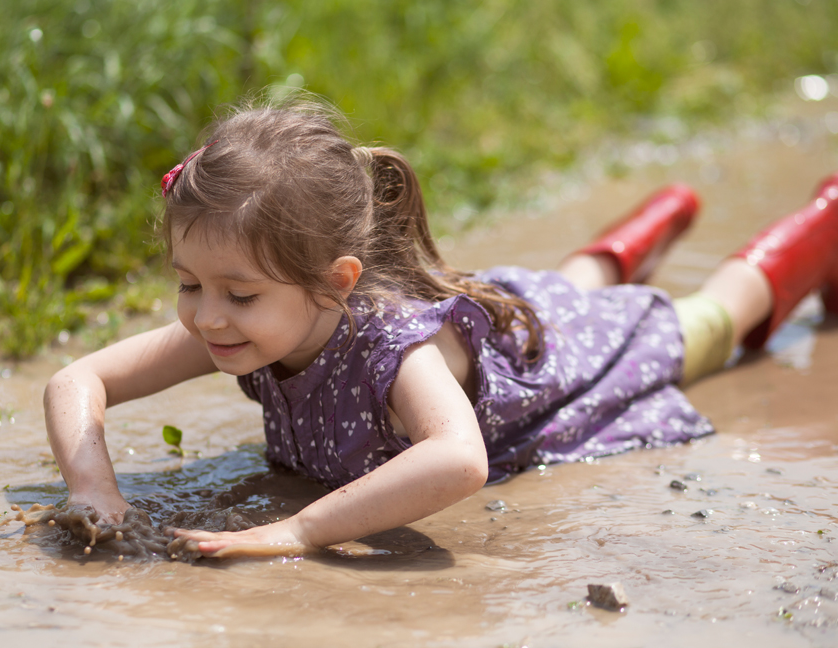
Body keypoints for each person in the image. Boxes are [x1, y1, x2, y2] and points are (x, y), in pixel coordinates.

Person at [43, 99, 838, 559]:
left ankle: (819, 222)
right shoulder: (242, 326)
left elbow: (459, 459)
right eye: (188, 284)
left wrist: (300, 529)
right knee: (549, 291)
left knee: (706, 322)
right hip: (515, 313)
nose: (207, 314)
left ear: (333, 283)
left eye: (238, 295)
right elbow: (75, 380)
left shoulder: (394, 350)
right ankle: (634, 239)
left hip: (566, 352)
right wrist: (93, 489)